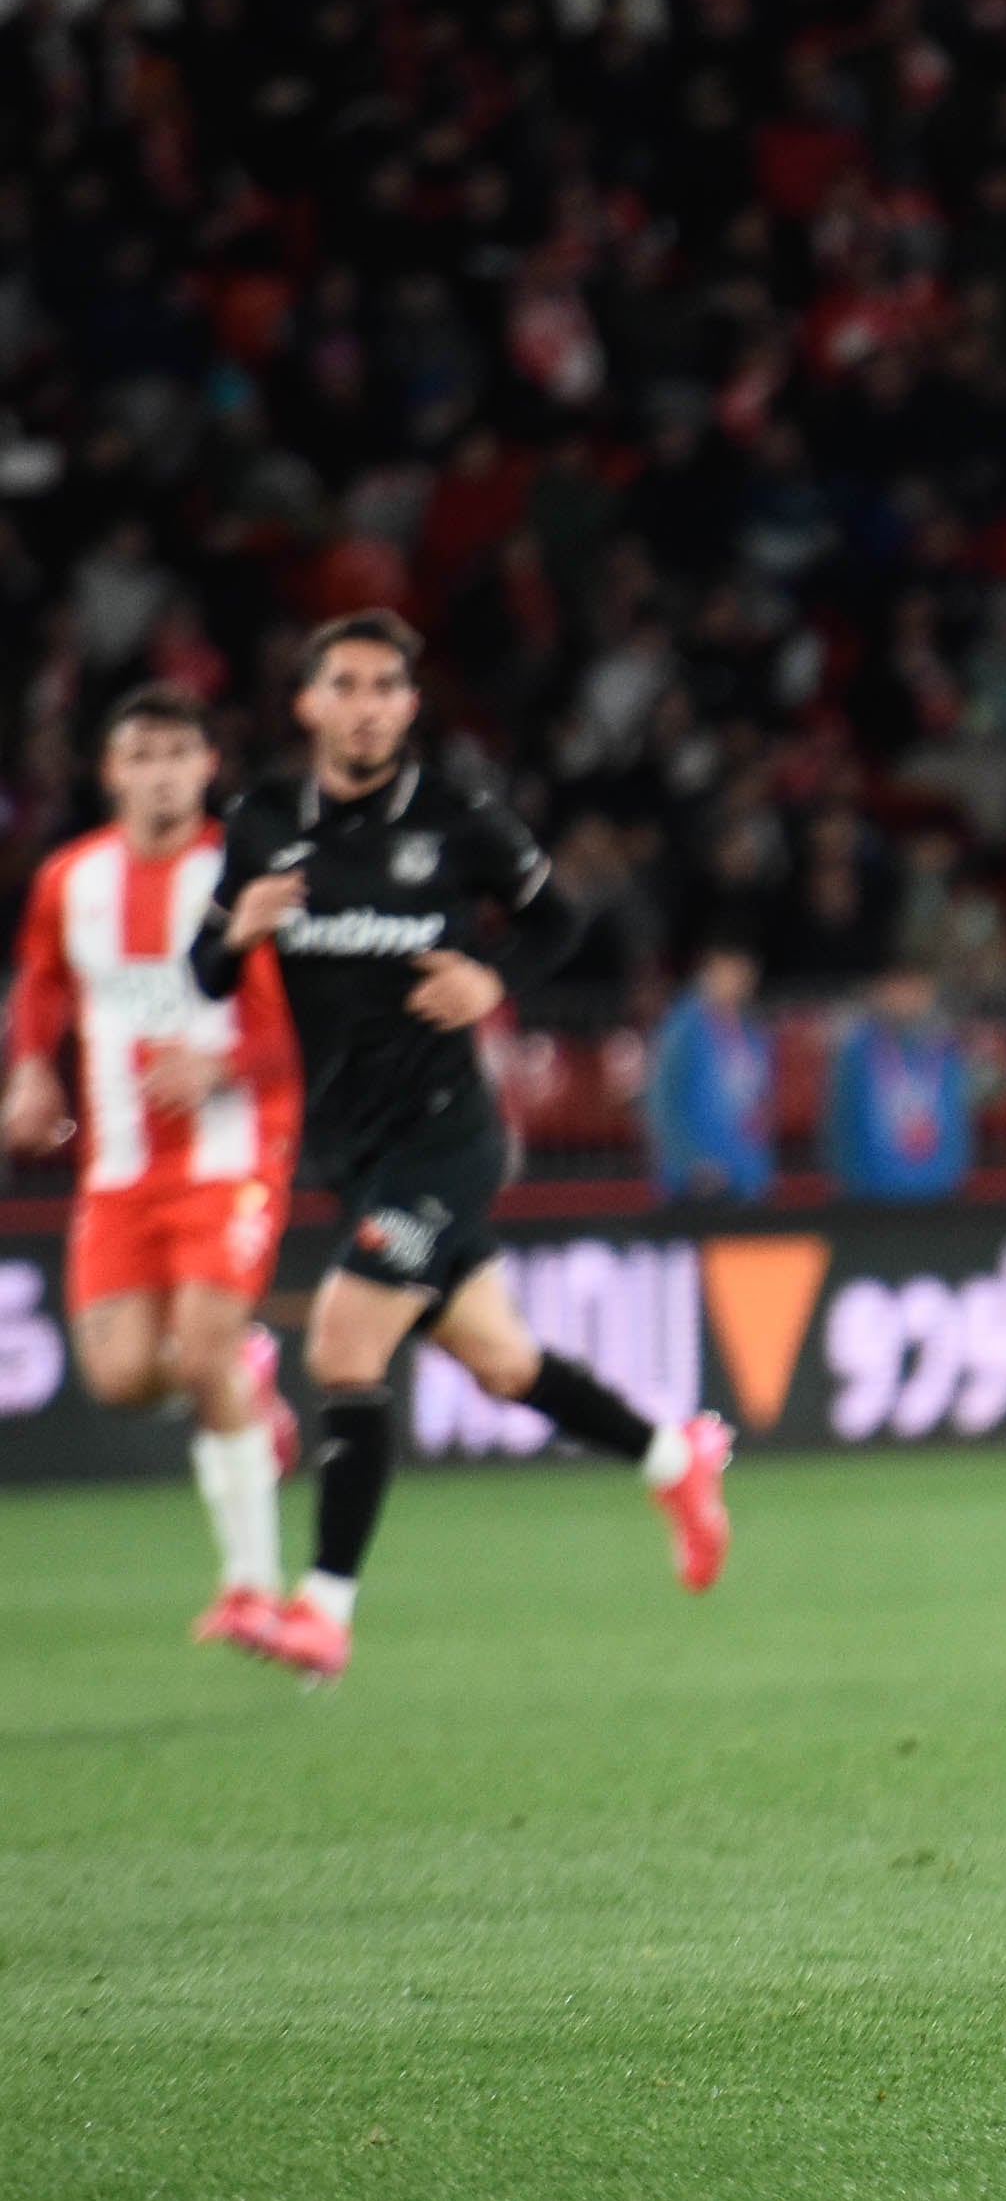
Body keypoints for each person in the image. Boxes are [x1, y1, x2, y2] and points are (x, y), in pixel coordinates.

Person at [189, 612, 732, 1682]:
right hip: (349, 1147)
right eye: (343, 684)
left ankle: (324, 1609)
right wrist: (233, 928)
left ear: (408, 706)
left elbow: (560, 924)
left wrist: (495, 981)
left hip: (447, 1138)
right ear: (309, 704)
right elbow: (205, 975)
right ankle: (677, 1458)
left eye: (386, 685)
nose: (366, 703)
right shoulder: (258, 821)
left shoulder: (457, 815)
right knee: (501, 1364)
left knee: (344, 1347)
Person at [2, 687, 306, 1651]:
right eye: (145, 754)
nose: (164, 771)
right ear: (113, 771)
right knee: (125, 1374)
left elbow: (298, 1026)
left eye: (182, 753)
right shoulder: (71, 878)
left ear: (208, 768)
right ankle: (253, 1381)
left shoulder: (242, 876)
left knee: (201, 1352)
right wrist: (28, 1075)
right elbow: (43, 978)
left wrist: (223, 1064)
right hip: (120, 1164)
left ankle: (254, 1588)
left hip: (230, 1149)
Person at [824, 964, 972, 1201]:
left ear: (929, 993)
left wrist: (955, 1177)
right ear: (878, 994)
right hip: (871, 1196)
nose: (905, 998)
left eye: (915, 990)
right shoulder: (856, 1052)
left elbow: (959, 1119)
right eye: (896, 989)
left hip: (940, 1192)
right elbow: (838, 1121)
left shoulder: (947, 1050)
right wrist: (848, 1183)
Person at [645, 942, 775, 1203]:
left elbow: (759, 1101)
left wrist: (759, 1168)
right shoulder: (681, 1029)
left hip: (745, 1179)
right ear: (710, 969)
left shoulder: (752, 1031)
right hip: (697, 1183)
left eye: (746, 973)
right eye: (731, 971)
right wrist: (691, 1161)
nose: (739, 982)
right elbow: (661, 1102)